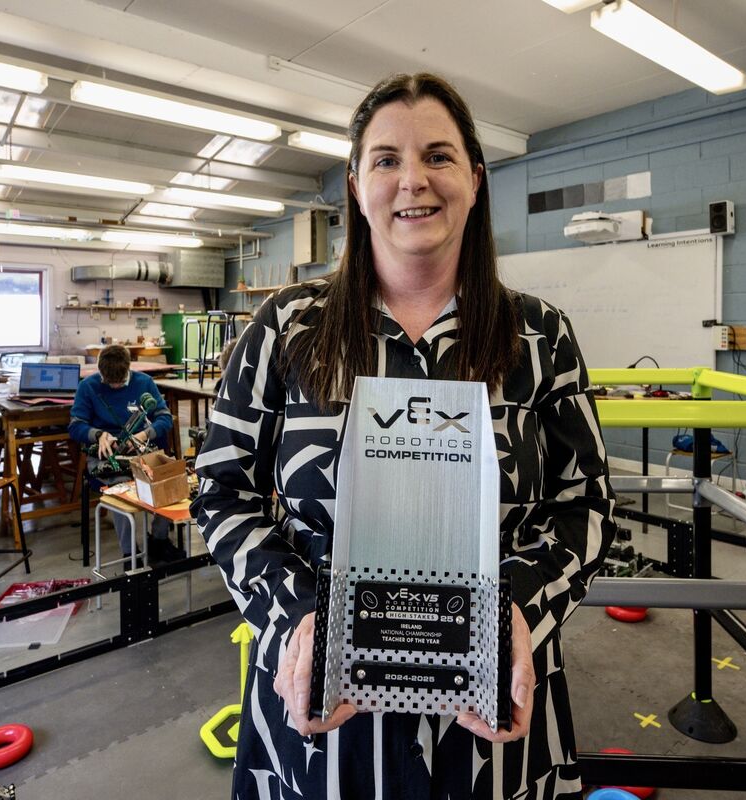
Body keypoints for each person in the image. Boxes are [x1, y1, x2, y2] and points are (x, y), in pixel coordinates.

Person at [192, 72, 615, 799]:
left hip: (493, 716)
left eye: (438, 156)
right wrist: (296, 617)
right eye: (386, 159)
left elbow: (588, 503)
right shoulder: (288, 327)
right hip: (321, 718)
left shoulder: (540, 336)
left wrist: (521, 607)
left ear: (474, 180)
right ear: (356, 187)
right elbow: (221, 489)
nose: (413, 180)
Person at [69, 345, 183, 563]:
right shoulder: (88, 387)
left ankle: (159, 541)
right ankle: (130, 553)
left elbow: (165, 418)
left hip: (142, 451)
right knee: (119, 487)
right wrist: (98, 434)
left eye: (120, 382)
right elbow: (75, 426)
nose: (115, 386)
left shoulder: (144, 383)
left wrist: (144, 434)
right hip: (107, 456)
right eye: (109, 382)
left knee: (168, 478)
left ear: (129, 369)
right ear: (100, 372)